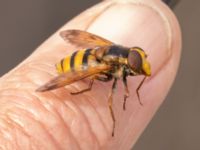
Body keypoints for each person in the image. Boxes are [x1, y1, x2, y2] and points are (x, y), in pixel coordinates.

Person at [0, 0, 181, 149]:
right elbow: (110, 82)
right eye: (138, 62)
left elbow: (81, 38)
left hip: (93, 55)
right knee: (108, 89)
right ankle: (98, 102)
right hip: (85, 65)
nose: (142, 65)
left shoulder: (120, 58)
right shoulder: (116, 68)